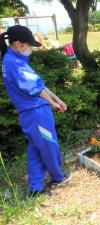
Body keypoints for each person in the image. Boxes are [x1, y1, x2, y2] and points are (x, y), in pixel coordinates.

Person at [0, 25, 72, 196]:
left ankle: (35, 187)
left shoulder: (14, 60)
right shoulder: (13, 63)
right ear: (19, 44)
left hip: (32, 112)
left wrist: (57, 99)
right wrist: (52, 103)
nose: (31, 48)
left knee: (35, 149)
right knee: (49, 146)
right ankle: (58, 177)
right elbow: (34, 88)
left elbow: (39, 84)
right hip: (36, 113)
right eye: (30, 45)